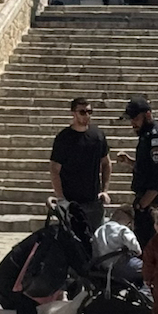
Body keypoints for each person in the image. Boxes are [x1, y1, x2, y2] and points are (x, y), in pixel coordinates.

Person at [116, 96, 158, 248]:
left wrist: (143, 205)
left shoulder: (157, 138)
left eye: (135, 118)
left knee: (154, 248)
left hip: (154, 205)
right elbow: (147, 167)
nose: (133, 123)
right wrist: (130, 161)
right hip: (148, 203)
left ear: (147, 115)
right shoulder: (146, 136)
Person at [50, 97, 112, 236]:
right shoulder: (64, 138)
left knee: (96, 242)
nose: (87, 115)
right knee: (71, 243)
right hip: (71, 203)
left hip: (93, 202)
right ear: (73, 113)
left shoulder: (98, 136)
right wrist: (61, 198)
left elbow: (106, 163)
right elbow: (55, 170)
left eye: (89, 111)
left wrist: (105, 190)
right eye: (82, 112)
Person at [93, 205, 144, 285]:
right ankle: (146, 293)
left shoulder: (99, 230)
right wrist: (137, 251)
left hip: (104, 268)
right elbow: (134, 245)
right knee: (151, 270)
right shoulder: (122, 229)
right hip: (121, 265)